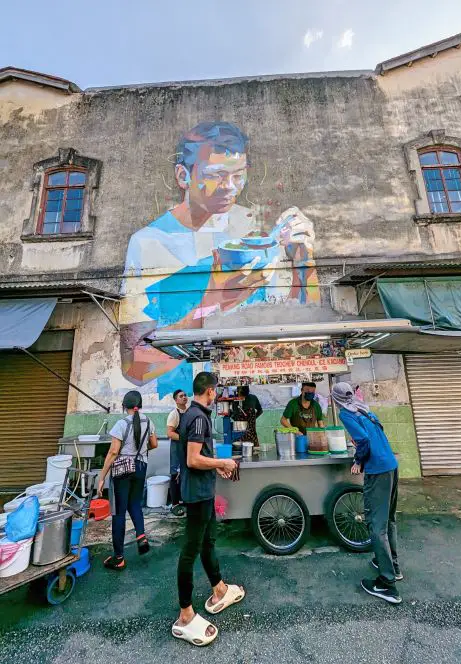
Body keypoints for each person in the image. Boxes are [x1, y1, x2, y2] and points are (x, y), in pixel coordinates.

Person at [120, 121, 319, 395]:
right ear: (182, 176)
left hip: (252, 397)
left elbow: (298, 338)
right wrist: (210, 307)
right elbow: (134, 367)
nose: (230, 187)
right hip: (184, 403)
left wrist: (304, 266)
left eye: (239, 175)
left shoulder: (257, 233)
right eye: (216, 175)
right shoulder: (148, 243)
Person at [172, 372, 245, 646]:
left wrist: (216, 465)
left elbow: (196, 455)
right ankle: (185, 614)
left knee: (207, 541)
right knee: (191, 550)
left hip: (202, 491)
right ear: (211, 392)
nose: (216, 395)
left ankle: (219, 589)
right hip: (197, 495)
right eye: (216, 391)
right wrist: (221, 464)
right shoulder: (199, 417)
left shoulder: (190, 413)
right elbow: (192, 459)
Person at [331, 382, 402, 605]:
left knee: (375, 525)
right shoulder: (363, 407)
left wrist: (359, 460)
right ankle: (394, 565)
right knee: (389, 520)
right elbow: (378, 430)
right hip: (391, 464)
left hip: (378, 471)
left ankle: (387, 584)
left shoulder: (345, 413)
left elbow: (363, 441)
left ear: (335, 399)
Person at [98, 390, 158, 570]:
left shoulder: (121, 424)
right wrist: (139, 451)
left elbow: (113, 452)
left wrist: (102, 477)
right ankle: (141, 536)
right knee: (134, 504)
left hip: (123, 470)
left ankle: (118, 557)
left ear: (125, 406)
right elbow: (154, 444)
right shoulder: (149, 421)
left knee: (118, 511)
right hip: (141, 467)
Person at [166, 388, 189, 512]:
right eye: (181, 396)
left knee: (185, 473)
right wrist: (184, 439)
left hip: (187, 448)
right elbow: (169, 433)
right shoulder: (174, 414)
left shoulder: (189, 412)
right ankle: (175, 503)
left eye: (185, 395)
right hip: (177, 448)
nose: (184, 397)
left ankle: (185, 500)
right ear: (176, 400)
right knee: (175, 474)